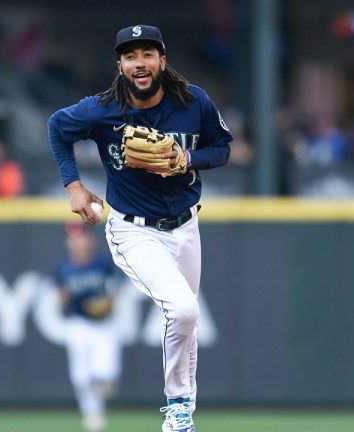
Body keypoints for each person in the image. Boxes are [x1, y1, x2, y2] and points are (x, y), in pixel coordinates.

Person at [48, 25, 232, 432]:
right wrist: (73, 185)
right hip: (133, 229)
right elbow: (58, 128)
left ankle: (184, 415)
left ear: (162, 61)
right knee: (182, 308)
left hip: (186, 225)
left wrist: (187, 158)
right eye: (131, 56)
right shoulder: (102, 109)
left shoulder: (193, 101)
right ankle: (178, 407)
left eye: (147, 54)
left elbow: (222, 149)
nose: (140, 63)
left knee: (189, 319)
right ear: (121, 65)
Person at [54, 223, 121, 432]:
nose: (77, 242)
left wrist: (106, 304)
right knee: (81, 376)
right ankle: (92, 413)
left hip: (103, 325)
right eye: (73, 238)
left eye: (81, 237)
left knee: (105, 375)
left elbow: (115, 291)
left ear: (90, 239)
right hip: (78, 323)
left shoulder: (102, 263)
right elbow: (60, 301)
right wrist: (64, 299)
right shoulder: (63, 268)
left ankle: (100, 400)